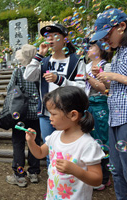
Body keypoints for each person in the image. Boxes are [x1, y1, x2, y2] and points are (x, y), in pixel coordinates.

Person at [25, 86, 105, 200]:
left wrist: (75, 170)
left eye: (53, 114)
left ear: (73, 115)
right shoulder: (55, 135)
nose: (50, 118)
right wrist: (31, 141)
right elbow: (40, 153)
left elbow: (97, 180)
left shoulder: (87, 144)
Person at [23, 23, 86, 166]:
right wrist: (39, 55)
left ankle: (71, 181)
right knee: (50, 150)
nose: (50, 39)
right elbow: (28, 76)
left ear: (65, 39)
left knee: (72, 148)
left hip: (70, 114)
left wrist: (60, 80)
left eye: (54, 35)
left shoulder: (77, 61)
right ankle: (55, 181)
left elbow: (82, 88)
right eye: (47, 36)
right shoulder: (43, 62)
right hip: (47, 114)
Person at [92, 8, 127, 200]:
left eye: (107, 35)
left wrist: (113, 75)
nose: (104, 41)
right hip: (115, 116)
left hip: (125, 118)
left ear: (121, 26)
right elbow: (114, 88)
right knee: (117, 169)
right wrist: (105, 80)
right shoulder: (119, 52)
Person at [5, 44, 41, 187]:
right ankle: (34, 172)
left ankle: (19, 176)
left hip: (20, 113)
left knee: (18, 143)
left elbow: (10, 89)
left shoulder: (18, 71)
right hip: (37, 113)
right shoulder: (39, 71)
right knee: (35, 142)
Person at [85, 40, 113, 191]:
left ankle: (103, 178)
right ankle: (93, 175)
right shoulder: (86, 66)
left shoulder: (106, 66)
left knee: (102, 140)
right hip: (87, 106)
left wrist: (88, 77)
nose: (87, 49)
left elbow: (105, 89)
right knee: (90, 141)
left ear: (101, 49)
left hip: (100, 105)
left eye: (91, 47)